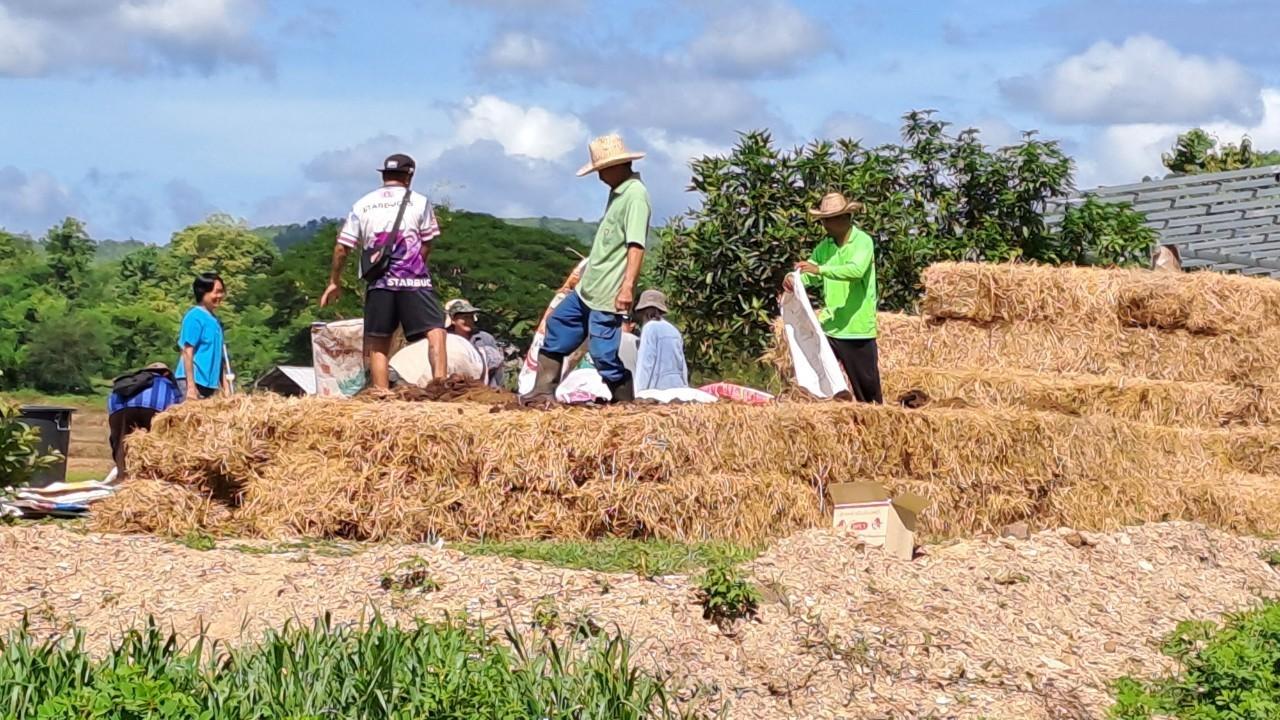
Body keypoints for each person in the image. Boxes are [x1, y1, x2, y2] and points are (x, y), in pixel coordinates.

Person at [522, 135, 651, 405]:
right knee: (558, 325)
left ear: (618, 166)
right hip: (588, 288)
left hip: (608, 292)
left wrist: (627, 287)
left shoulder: (636, 197)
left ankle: (624, 401)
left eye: (602, 170)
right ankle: (543, 390)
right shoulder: (618, 194)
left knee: (604, 353)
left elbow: (636, 246)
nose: (600, 177)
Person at [321, 153, 447, 390]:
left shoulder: (363, 204)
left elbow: (342, 247)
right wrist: (414, 266)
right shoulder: (419, 202)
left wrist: (334, 281)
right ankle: (441, 384)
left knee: (379, 342)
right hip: (413, 281)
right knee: (436, 331)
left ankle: (381, 395)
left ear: (384, 175)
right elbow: (427, 241)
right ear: (409, 176)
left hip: (379, 283)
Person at [783, 191, 883, 404]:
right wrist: (794, 279)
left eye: (829, 220)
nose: (825, 225)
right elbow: (810, 274)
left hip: (857, 330)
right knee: (822, 386)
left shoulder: (863, 242)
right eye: (824, 221)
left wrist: (819, 270)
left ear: (845, 218)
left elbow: (855, 271)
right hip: (829, 327)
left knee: (868, 395)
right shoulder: (824, 247)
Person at [107, 363, 180, 474]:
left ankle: (122, 476)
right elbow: (176, 407)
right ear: (166, 373)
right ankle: (149, 476)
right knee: (155, 443)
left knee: (121, 443)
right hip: (154, 408)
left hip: (118, 409)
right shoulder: (167, 383)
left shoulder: (130, 381)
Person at [174, 272, 231, 401]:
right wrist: (191, 387)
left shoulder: (216, 321)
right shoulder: (194, 317)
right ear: (203, 292)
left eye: (222, 292)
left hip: (209, 384)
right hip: (193, 381)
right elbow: (187, 351)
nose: (220, 296)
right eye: (216, 292)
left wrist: (225, 387)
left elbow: (219, 357)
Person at [632, 289, 688, 392]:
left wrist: (638, 392)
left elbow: (645, 363)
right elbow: (682, 364)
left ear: (643, 311)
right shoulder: (674, 330)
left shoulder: (649, 328)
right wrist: (685, 386)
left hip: (658, 389)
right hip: (678, 387)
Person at [445, 298, 505, 388]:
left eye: (471, 317)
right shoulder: (446, 340)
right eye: (465, 317)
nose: (469, 321)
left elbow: (497, 370)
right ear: (453, 320)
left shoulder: (486, 339)